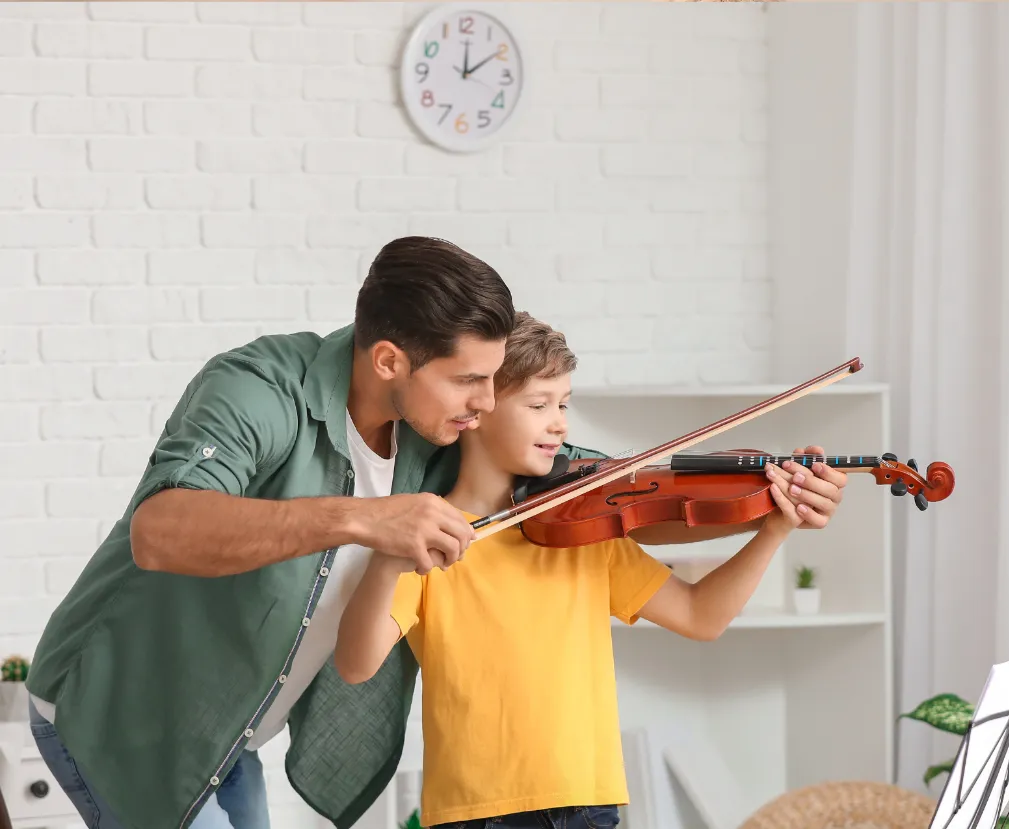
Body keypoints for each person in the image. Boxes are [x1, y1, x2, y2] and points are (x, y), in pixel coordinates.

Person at [24, 234, 843, 829]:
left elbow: (606, 495)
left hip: (229, 728)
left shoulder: (439, 430)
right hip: (127, 707)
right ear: (390, 361)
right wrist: (362, 519)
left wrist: (765, 498)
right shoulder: (258, 389)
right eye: (469, 381)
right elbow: (162, 530)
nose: (485, 403)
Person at [334, 312, 848, 829]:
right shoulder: (433, 536)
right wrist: (389, 559)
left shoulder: (585, 531)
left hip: (588, 804)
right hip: (477, 813)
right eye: (539, 405)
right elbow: (355, 665)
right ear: (478, 409)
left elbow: (700, 616)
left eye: (563, 404)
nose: (560, 423)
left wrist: (774, 531)